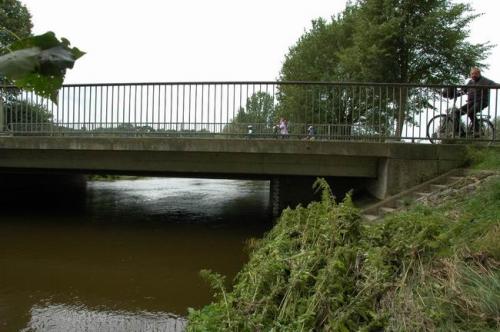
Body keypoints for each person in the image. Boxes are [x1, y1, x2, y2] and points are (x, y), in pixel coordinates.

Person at [454, 67, 495, 135]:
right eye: (472, 74)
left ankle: (478, 131)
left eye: (475, 74)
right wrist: (454, 95)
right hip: (471, 102)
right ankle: (460, 132)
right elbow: (463, 91)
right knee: (456, 112)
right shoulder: (470, 82)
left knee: (471, 112)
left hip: (481, 101)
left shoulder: (485, 81)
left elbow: (495, 84)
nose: (473, 75)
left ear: (479, 73)